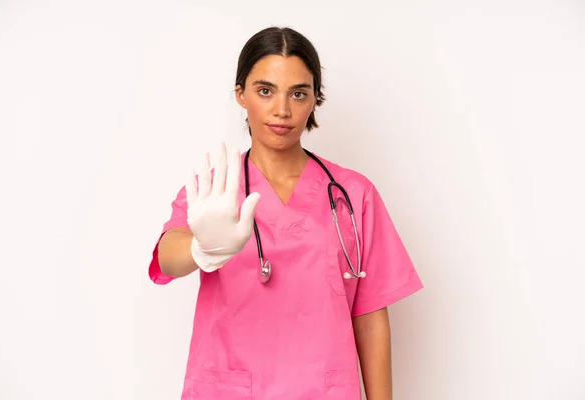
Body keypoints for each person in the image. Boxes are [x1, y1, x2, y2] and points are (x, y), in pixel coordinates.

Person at [148, 26, 423, 400]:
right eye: (265, 91)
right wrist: (202, 248)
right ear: (241, 95)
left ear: (314, 100)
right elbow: (168, 258)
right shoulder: (215, 188)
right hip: (230, 389)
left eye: (298, 93)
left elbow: (371, 314)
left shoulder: (352, 194)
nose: (282, 109)